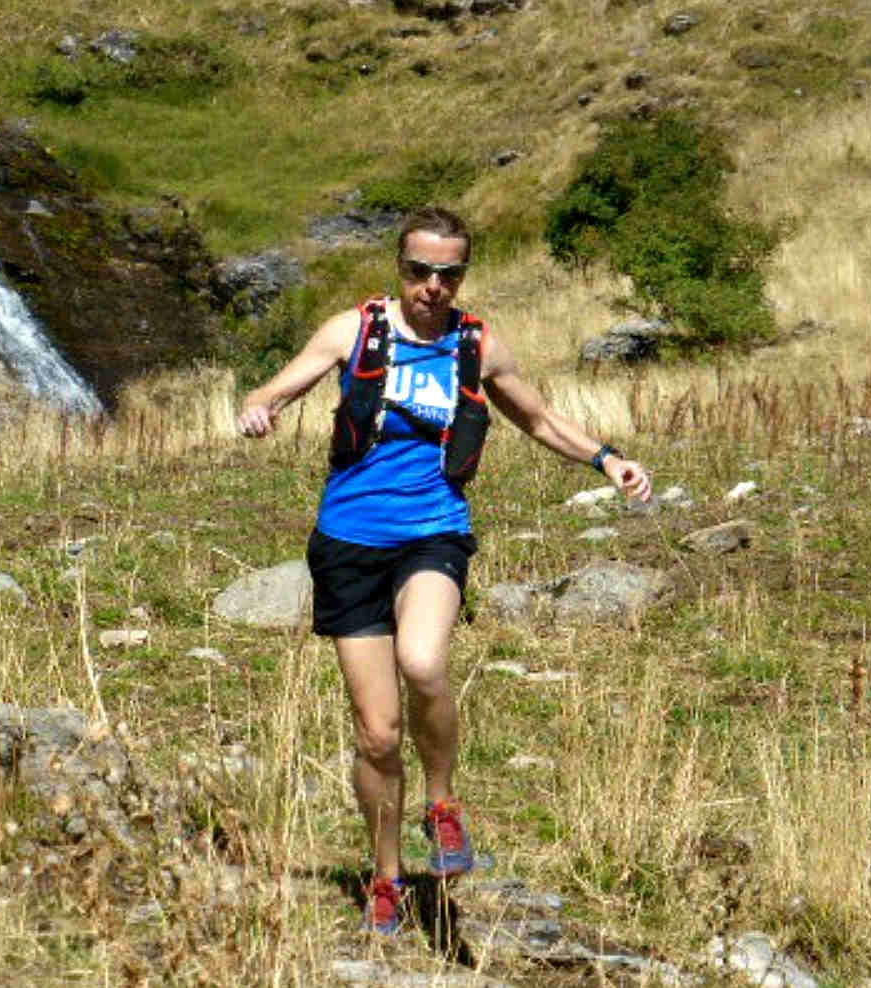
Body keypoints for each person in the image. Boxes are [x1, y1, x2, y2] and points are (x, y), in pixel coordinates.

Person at [235, 207, 652, 934]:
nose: (432, 285)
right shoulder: (353, 330)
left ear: (463, 274)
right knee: (376, 733)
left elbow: (540, 419)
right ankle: (388, 875)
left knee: (423, 661)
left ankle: (443, 802)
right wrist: (258, 410)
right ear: (399, 268)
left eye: (448, 272)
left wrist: (605, 458)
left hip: (434, 535)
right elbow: (270, 390)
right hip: (347, 543)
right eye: (419, 270)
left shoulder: (476, 343)